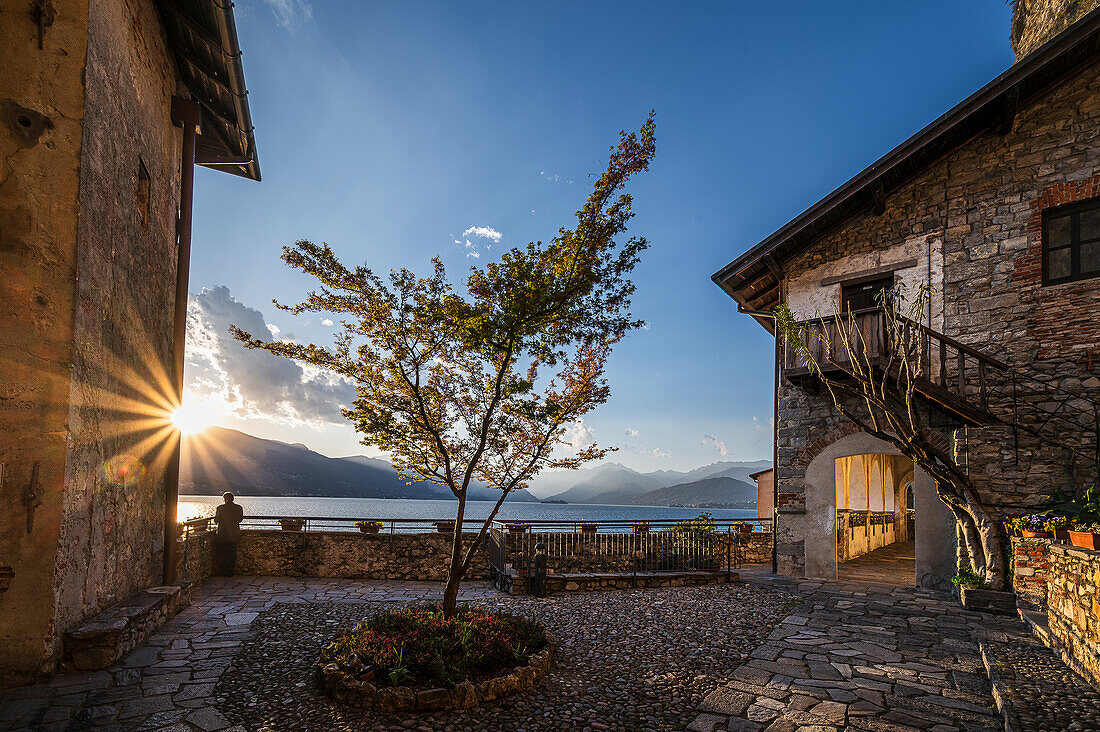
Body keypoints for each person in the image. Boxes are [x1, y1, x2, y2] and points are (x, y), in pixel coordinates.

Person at [213, 492, 244, 575]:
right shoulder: (239, 508)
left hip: (222, 535)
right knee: (232, 553)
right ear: (233, 499)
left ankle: (223, 571)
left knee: (223, 553)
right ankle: (230, 571)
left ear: (224, 499)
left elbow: (217, 520)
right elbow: (240, 519)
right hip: (234, 534)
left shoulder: (220, 508)